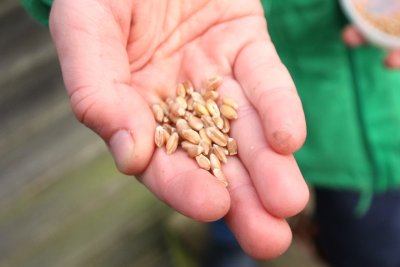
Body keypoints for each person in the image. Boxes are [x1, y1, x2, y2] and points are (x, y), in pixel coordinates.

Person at [20, 0, 400, 267]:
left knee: (365, 238)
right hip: (241, 59)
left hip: (380, 116)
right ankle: (228, 246)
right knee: (228, 187)